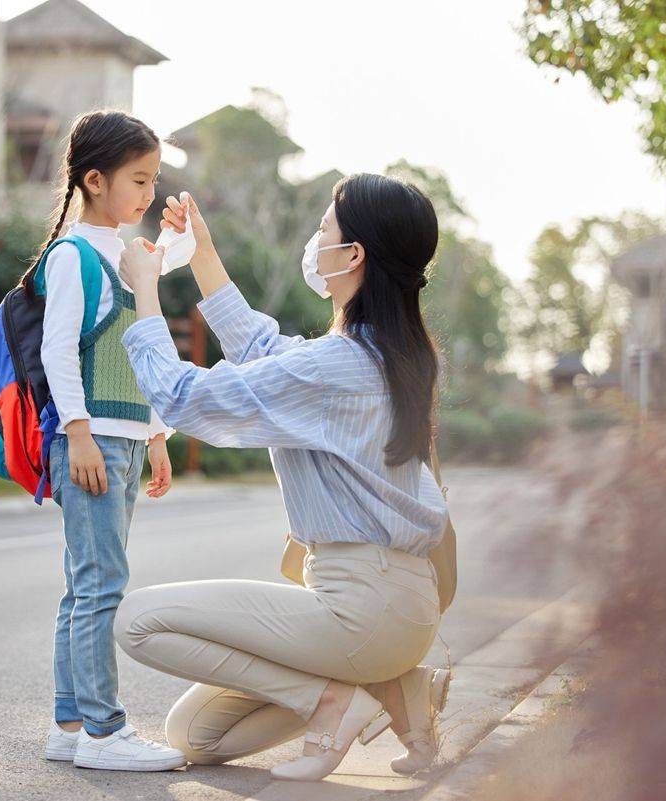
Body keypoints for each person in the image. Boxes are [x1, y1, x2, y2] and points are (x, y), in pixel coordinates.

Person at [112, 175, 450, 781]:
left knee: (138, 622)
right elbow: (264, 351)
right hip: (397, 608)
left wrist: (145, 295)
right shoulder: (388, 356)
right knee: (196, 736)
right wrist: (204, 255)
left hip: (358, 606)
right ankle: (398, 692)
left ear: (353, 256)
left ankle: (333, 702)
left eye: (323, 230)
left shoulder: (340, 364)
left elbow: (186, 398)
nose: (313, 241)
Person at [25, 109, 185, 772]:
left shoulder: (123, 254)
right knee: (102, 583)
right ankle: (102, 729)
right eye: (138, 179)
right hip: (91, 443)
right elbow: (59, 349)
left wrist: (157, 436)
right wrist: (79, 434)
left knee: (84, 583)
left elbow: (139, 347)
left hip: (123, 438)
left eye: (153, 180)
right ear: (95, 180)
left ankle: (70, 724)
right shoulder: (73, 256)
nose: (149, 193)